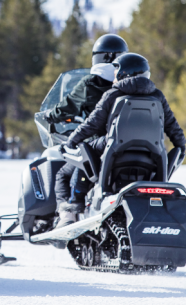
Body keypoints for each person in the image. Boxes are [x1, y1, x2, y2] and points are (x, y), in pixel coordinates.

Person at [55, 53, 186, 228]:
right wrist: (181, 148)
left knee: (84, 148)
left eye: (117, 71)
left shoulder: (113, 94)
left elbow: (92, 124)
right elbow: (173, 127)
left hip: (114, 150)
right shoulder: (158, 96)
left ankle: (75, 202)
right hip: (153, 155)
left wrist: (71, 141)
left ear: (125, 73)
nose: (114, 76)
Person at [47, 34, 128, 227]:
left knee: (62, 174)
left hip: (95, 147)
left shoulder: (89, 84)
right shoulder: (126, 84)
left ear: (99, 57)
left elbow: (67, 107)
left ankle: (67, 217)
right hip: (126, 145)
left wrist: (51, 115)